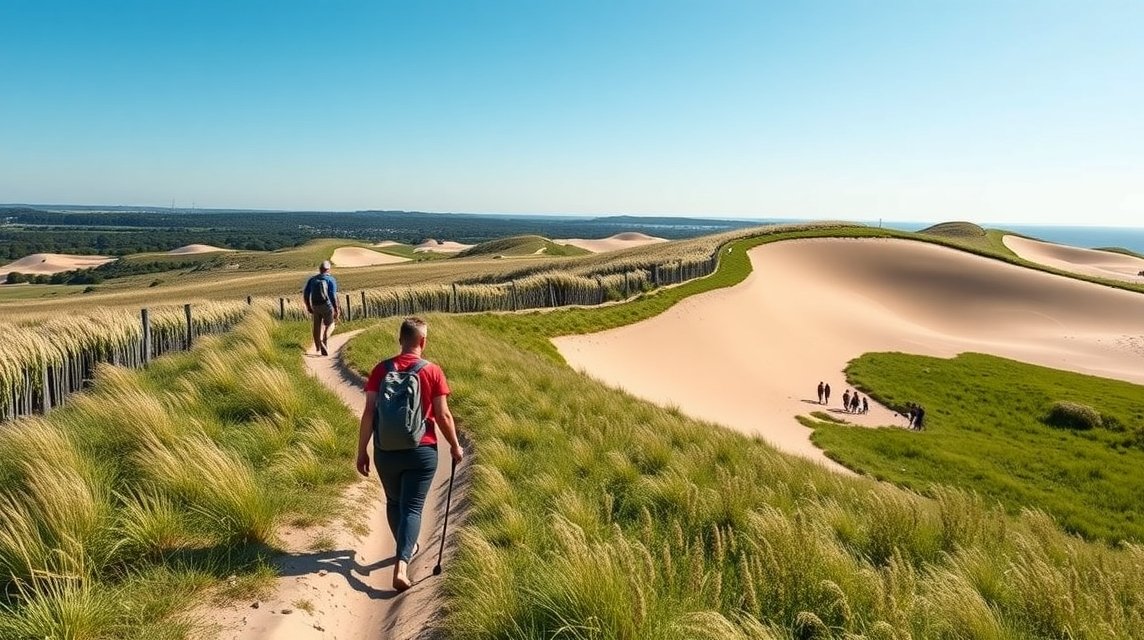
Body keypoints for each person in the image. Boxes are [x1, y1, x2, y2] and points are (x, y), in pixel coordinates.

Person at [356, 317, 464, 592]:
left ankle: (406, 546)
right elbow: (443, 415)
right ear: (423, 341)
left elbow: (369, 412)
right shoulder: (432, 371)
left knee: (394, 502)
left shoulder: (381, 370)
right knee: (413, 507)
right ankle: (402, 564)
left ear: (400, 338)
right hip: (421, 451)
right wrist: (454, 444)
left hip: (385, 451)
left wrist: (362, 451)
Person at [303, 260, 340, 356]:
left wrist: (308, 306)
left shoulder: (312, 279)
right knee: (331, 324)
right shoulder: (330, 279)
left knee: (317, 326)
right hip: (326, 305)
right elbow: (332, 295)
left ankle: (318, 347)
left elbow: (306, 294)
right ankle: (324, 339)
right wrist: (336, 309)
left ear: (320, 269)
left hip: (315, 305)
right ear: (328, 270)